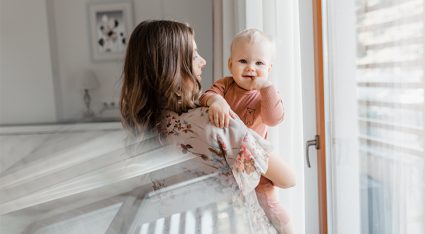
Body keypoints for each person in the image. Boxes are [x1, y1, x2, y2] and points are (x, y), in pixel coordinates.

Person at [120, 20, 295, 233]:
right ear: (172, 66)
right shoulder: (218, 123)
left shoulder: (145, 126)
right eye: (194, 55)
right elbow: (288, 179)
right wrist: (242, 131)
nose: (203, 61)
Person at [199, 29, 292, 233]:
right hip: (229, 161)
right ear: (230, 64)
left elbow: (273, 118)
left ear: (269, 68)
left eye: (259, 63)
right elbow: (205, 96)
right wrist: (216, 101)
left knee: (270, 205)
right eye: (243, 61)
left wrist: (266, 88)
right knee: (234, 211)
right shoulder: (224, 85)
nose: (251, 68)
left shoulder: (265, 94)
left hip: (257, 163)